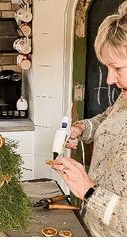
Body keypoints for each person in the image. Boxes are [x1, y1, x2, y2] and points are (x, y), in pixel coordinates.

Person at [51, 1, 127, 237]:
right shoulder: (126, 96)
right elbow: (110, 118)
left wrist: (89, 191)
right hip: (93, 226)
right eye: (107, 68)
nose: (109, 80)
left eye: (117, 68)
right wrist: (83, 128)